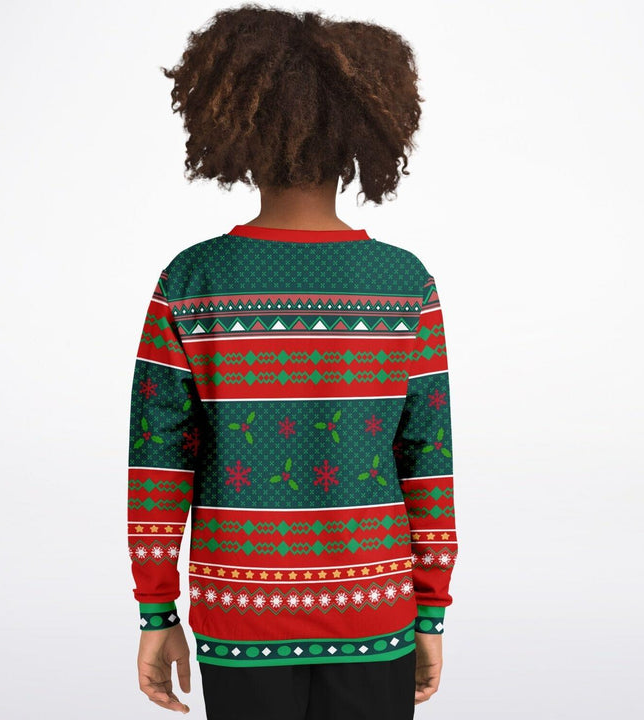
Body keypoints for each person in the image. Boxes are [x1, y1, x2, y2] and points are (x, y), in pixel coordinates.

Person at [127, 6, 458, 718]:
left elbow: (158, 463)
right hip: (375, 612)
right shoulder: (406, 284)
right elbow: (428, 460)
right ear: (363, 134)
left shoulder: (193, 280)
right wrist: (430, 613)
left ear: (237, 133)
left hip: (238, 614)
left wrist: (157, 612)